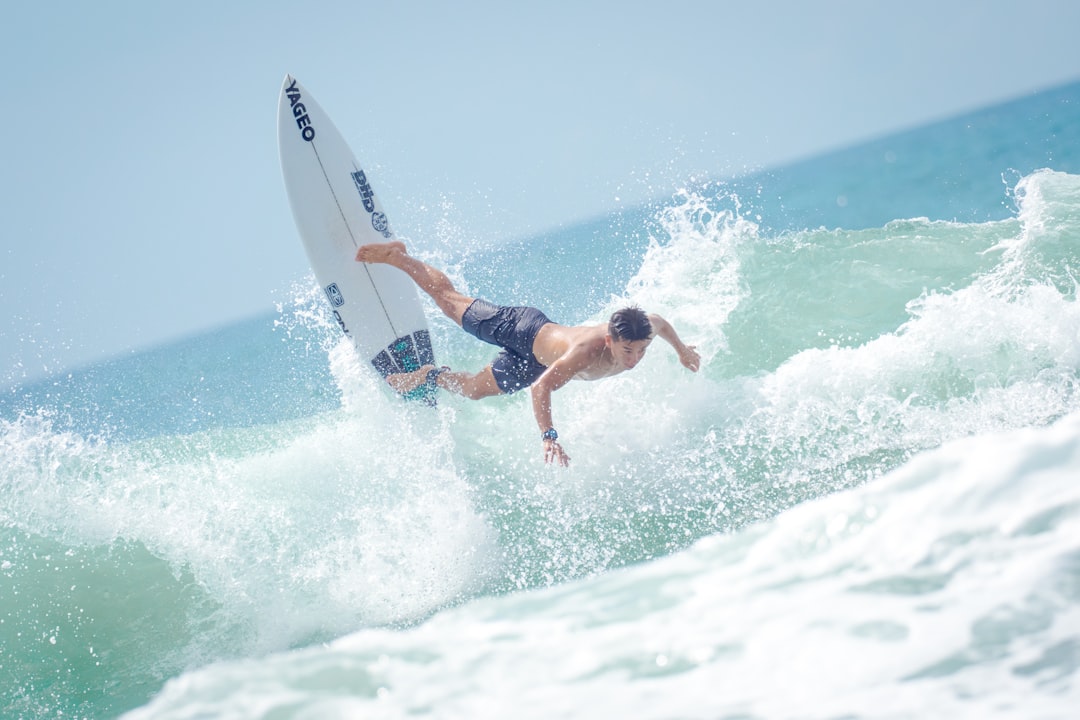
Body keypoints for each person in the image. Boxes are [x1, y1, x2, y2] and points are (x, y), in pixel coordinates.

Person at [355, 241, 701, 466]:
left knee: (474, 391)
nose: (635, 358)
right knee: (449, 301)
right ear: (609, 340)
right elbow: (541, 389)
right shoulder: (584, 353)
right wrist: (549, 437)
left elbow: (660, 323)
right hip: (522, 329)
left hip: (532, 363)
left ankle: (430, 373)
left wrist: (683, 351)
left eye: (641, 351)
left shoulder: (646, 327)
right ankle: (398, 257)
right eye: (628, 350)